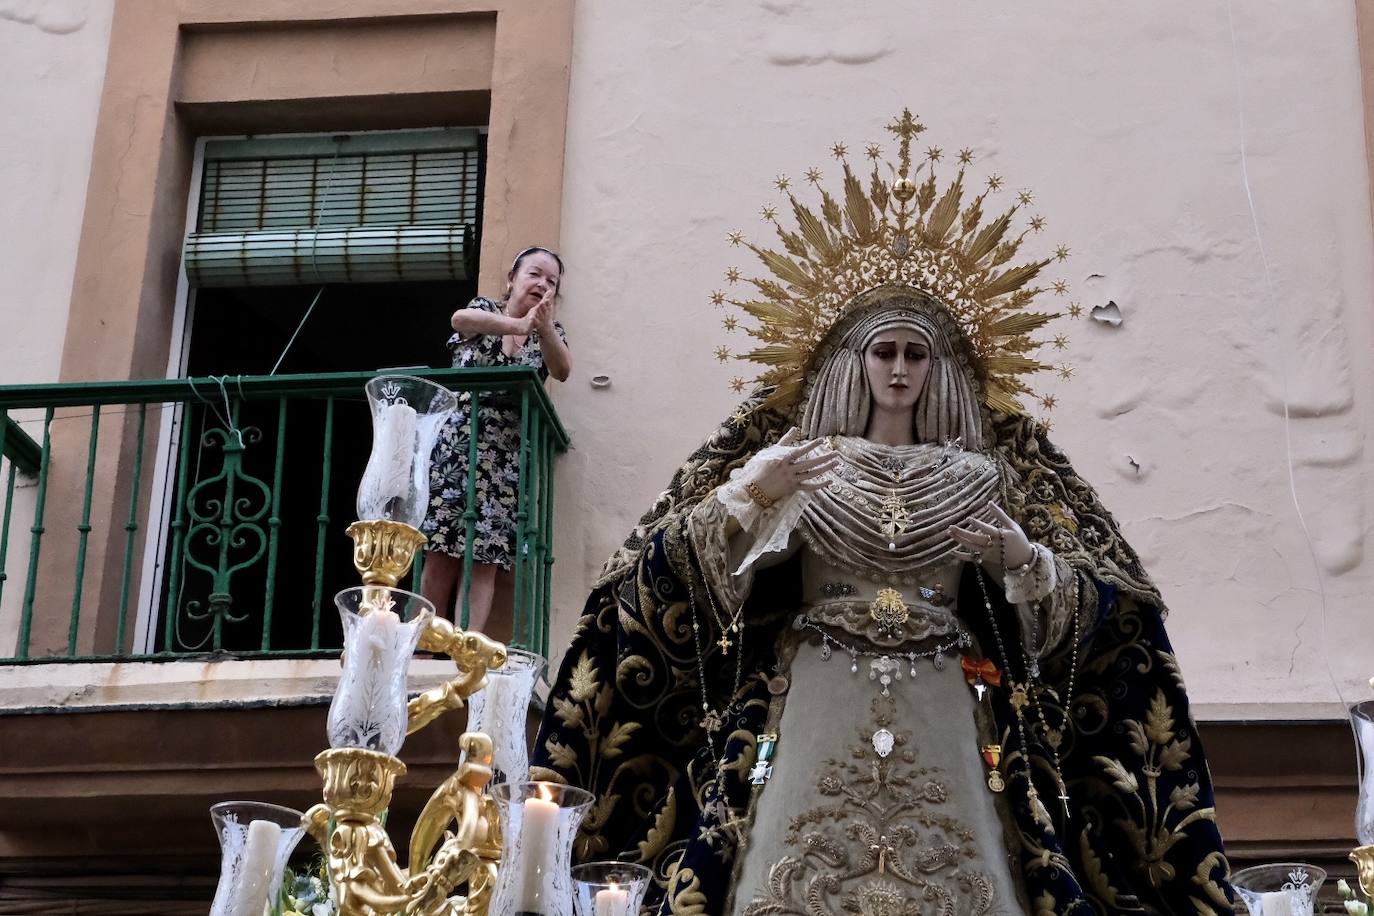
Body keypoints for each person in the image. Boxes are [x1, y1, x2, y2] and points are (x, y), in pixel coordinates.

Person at [532, 112, 1235, 915]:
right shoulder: (803, 463)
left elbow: (1102, 608)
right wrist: (753, 494)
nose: (899, 369)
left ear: (937, 367)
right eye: (883, 351)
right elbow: (683, 571)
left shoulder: (979, 474)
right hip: (815, 688)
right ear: (855, 362)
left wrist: (1022, 562)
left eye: (915, 353)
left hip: (948, 696)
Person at [421, 246, 571, 640]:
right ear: (512, 279)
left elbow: (562, 369)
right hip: (459, 446)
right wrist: (518, 323)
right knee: (441, 553)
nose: (542, 284)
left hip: (507, 458)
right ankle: (423, 647)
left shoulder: (551, 333)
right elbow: (460, 320)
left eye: (551, 281)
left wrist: (542, 328)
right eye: (534, 274)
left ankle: (464, 646)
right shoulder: (485, 309)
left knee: (485, 558)